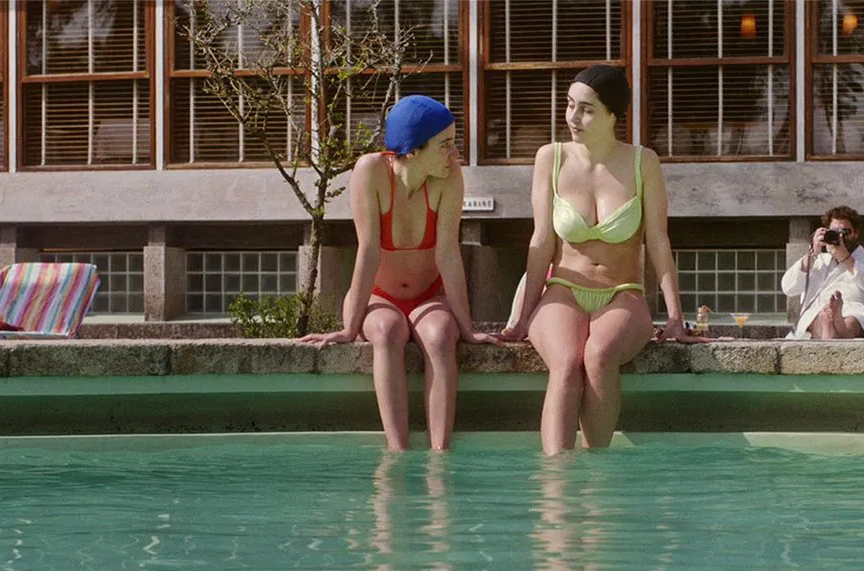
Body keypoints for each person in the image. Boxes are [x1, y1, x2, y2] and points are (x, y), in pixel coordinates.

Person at [500, 65, 702, 455]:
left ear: (613, 115)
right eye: (570, 105)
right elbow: (541, 241)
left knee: (598, 355)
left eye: (587, 110)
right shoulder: (550, 158)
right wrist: (523, 317)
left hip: (622, 293)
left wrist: (675, 316)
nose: (573, 117)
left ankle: (596, 470)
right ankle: (556, 477)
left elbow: (658, 241)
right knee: (565, 362)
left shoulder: (643, 162)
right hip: (563, 290)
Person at [300, 95, 499, 452]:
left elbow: (448, 255)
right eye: (445, 145)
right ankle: (398, 452)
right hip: (380, 297)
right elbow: (368, 251)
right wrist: (349, 328)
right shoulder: (370, 172)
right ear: (412, 150)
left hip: (429, 297)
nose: (455, 154)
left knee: (440, 336)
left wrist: (468, 328)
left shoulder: (449, 178)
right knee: (387, 332)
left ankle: (440, 455)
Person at [781, 205, 864, 340]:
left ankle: (833, 324)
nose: (840, 237)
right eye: (835, 232)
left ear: (856, 233)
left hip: (856, 311)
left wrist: (846, 258)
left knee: (852, 321)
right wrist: (812, 254)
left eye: (845, 232)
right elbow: (789, 288)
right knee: (818, 316)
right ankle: (831, 322)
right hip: (819, 311)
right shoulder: (818, 259)